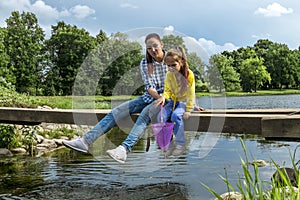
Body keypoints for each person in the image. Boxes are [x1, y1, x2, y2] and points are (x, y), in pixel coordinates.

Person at [63, 33, 168, 163]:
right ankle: (85, 141)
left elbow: (182, 82)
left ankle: (124, 149)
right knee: (117, 111)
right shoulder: (144, 63)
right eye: (148, 48)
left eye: (155, 46)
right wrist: (158, 97)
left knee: (145, 114)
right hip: (150, 96)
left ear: (161, 44)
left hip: (168, 99)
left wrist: (186, 102)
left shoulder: (171, 59)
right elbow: (149, 86)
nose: (152, 50)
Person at [155, 46, 196, 157]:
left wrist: (188, 109)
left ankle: (181, 144)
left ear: (181, 62)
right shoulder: (169, 75)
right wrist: (164, 97)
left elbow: (191, 93)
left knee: (176, 116)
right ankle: (169, 144)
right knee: (161, 117)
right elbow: (167, 90)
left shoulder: (189, 74)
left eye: (174, 65)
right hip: (173, 102)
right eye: (168, 65)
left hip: (185, 102)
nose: (171, 68)